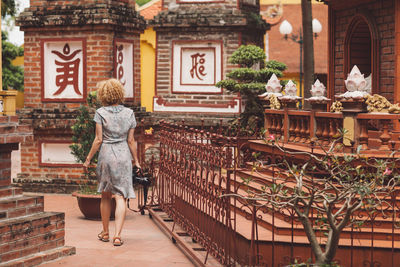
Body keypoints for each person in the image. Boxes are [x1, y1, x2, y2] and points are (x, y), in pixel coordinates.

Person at [83, 78, 141, 246]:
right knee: (120, 196)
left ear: (103, 94)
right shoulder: (129, 113)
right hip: (123, 156)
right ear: (119, 93)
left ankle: (105, 232)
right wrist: (136, 160)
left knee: (106, 195)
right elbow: (131, 141)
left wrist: (88, 160)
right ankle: (117, 236)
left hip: (106, 155)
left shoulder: (100, 113)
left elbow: (98, 140)